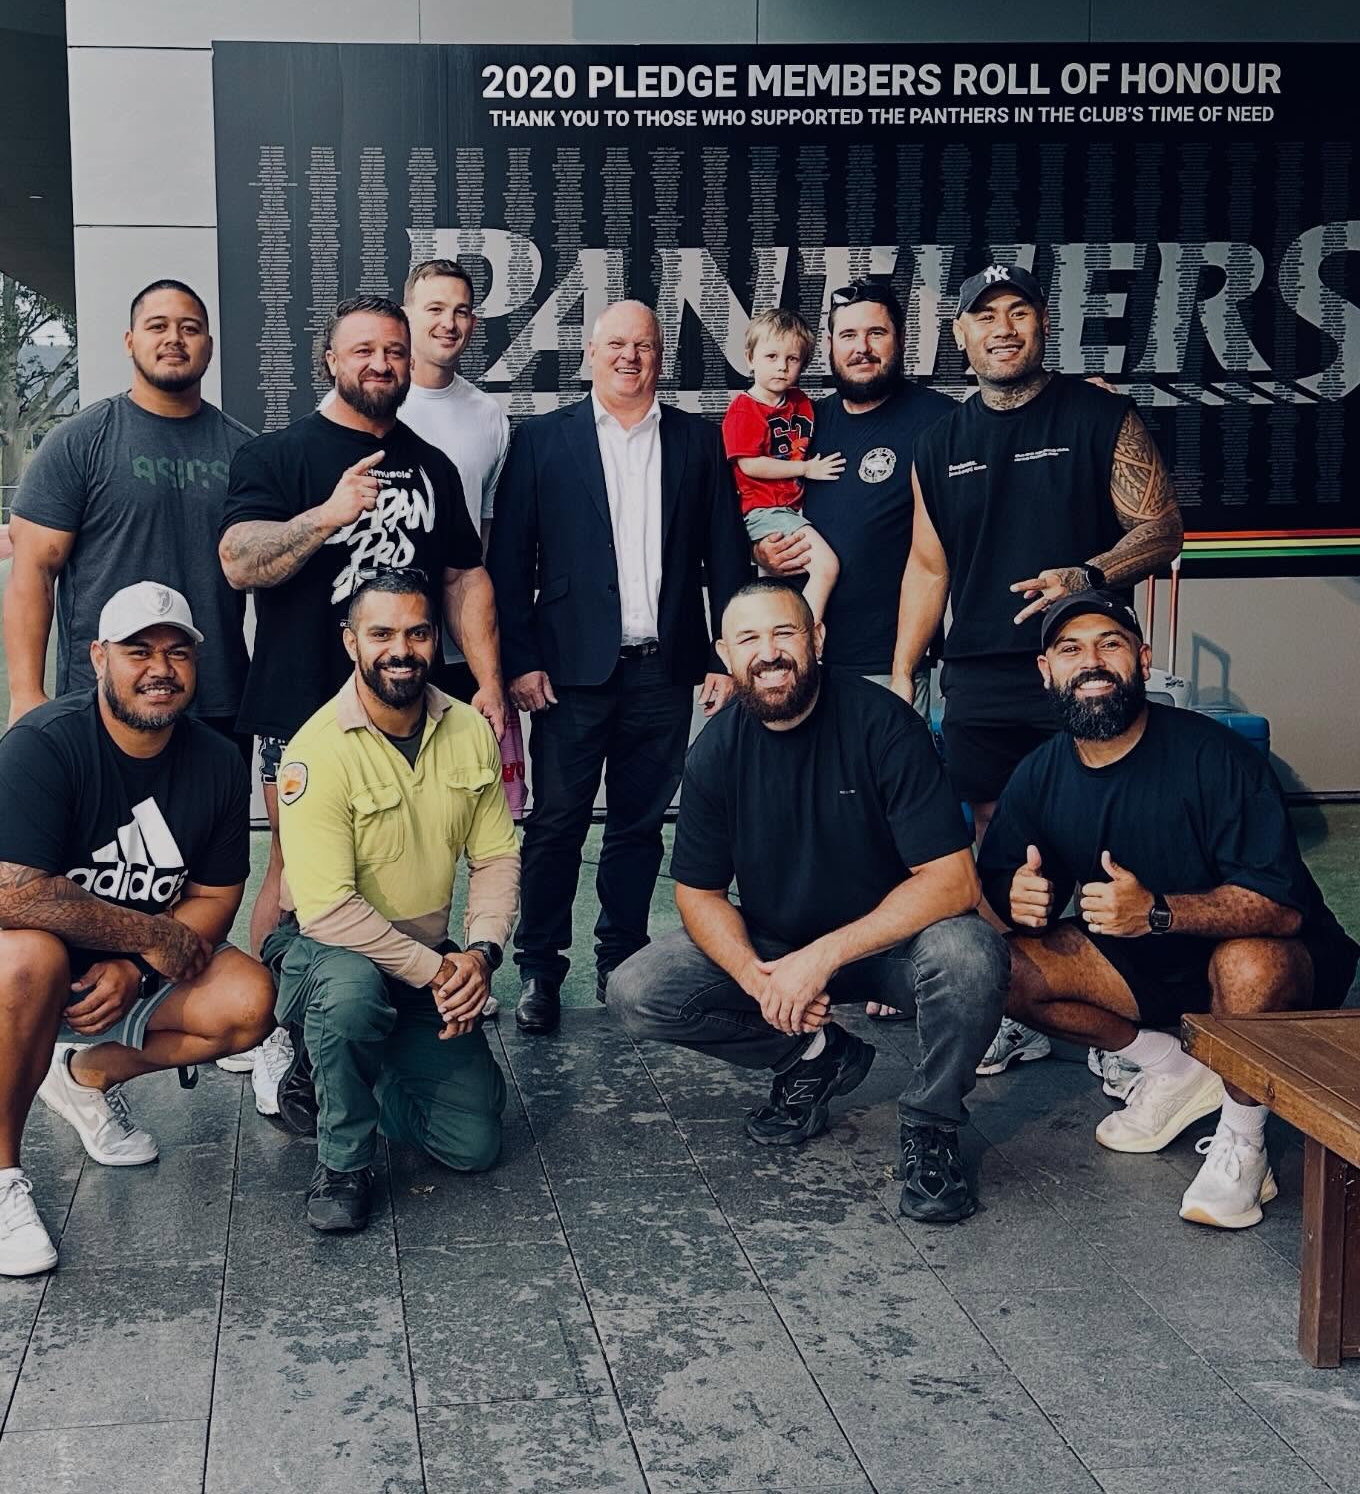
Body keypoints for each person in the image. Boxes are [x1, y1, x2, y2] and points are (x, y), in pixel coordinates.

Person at [607, 582, 1009, 1224]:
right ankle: (816, 1057)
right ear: (726, 655)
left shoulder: (883, 725)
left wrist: (821, 958)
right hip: (777, 948)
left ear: (817, 638)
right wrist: (755, 976)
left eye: (784, 633)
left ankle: (932, 1125)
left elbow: (953, 880)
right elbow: (698, 892)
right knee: (638, 989)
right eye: (749, 640)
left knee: (971, 954)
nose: (769, 653)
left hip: (889, 950)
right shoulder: (715, 750)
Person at [0, 582, 274, 1277]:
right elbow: (9, 893)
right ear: (98, 657)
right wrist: (143, 938)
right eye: (138, 651)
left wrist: (136, 969)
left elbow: (215, 897)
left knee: (247, 1002)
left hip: (116, 970)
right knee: (32, 959)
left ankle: (81, 1077)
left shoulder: (213, 762)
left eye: (177, 653)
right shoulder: (45, 743)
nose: (160, 668)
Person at [978, 592, 1359, 1230]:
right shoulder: (1040, 775)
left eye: (1111, 644)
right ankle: (1174, 1065)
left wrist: (1156, 913)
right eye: (1071, 649)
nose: (1091, 661)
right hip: (1145, 972)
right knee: (998, 966)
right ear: (1046, 671)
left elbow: (1282, 908)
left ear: (1143, 661)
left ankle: (1244, 1139)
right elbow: (996, 884)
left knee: (1248, 966)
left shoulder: (1217, 758)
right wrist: (1016, 896)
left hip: (1275, 967)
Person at [892, 261, 1184, 1072]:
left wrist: (1085, 577)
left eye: (1018, 312)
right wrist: (902, 670)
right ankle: (1023, 1000)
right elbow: (927, 566)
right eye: (986, 317)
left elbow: (1162, 528)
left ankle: (1120, 1014)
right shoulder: (938, 442)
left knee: (1105, 832)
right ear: (961, 336)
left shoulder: (1099, 415)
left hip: (1084, 665)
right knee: (997, 843)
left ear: (1041, 324)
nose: (1003, 329)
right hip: (982, 674)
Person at [219, 293, 504, 1107]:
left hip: (412, 702)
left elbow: (462, 578)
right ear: (330, 360)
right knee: (289, 870)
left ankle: (399, 1002)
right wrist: (327, 515)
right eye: (363, 350)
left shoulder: (433, 464)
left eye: (393, 350)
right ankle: (280, 1033)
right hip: (301, 706)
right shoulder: (278, 457)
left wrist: (485, 682)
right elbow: (240, 560)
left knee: (414, 859)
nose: (381, 363)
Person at [489, 300, 752, 1034]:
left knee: (639, 827)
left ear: (660, 357)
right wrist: (521, 659)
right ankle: (539, 969)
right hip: (568, 674)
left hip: (665, 671)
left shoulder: (697, 443)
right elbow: (509, 564)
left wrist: (725, 653)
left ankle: (622, 962)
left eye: (643, 345)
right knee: (556, 826)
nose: (628, 356)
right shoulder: (543, 441)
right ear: (589, 355)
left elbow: (726, 556)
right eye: (615, 344)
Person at [267, 571, 518, 1232]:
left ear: (436, 641)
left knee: (475, 1143)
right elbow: (328, 911)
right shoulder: (316, 752)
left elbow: (494, 856)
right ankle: (343, 1160)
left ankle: (346, 1072)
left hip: (421, 954)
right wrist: (441, 973)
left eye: (417, 632)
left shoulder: (466, 730)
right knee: (350, 996)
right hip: (322, 948)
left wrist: (481, 955)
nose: (399, 649)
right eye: (381, 633)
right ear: (352, 642)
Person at [4, 280, 253, 761]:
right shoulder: (81, 441)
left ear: (209, 346)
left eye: (190, 328)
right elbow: (33, 570)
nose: (174, 338)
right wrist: (25, 694)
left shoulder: (246, 451)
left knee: (210, 837)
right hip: (102, 699)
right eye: (157, 326)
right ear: (129, 341)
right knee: (102, 836)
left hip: (217, 698)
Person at [752, 277, 952, 719]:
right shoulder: (806, 420)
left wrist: (905, 668)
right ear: (828, 345)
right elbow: (757, 498)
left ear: (899, 339)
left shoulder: (939, 421)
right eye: (848, 335)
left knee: (890, 787)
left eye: (875, 333)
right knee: (808, 788)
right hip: (801, 665)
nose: (861, 347)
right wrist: (762, 550)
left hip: (888, 667)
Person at [318, 260, 512, 697]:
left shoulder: (489, 416)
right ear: (405, 319)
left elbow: (478, 542)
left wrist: (485, 663)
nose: (449, 323)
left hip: (453, 650)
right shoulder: (357, 398)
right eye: (435, 308)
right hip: (371, 647)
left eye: (461, 311)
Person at [722, 307, 840, 621]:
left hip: (792, 507)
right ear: (750, 359)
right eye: (771, 357)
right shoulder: (744, 409)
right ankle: (808, 634)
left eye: (792, 359)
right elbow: (749, 465)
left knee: (780, 588)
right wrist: (805, 469)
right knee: (827, 567)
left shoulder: (800, 401)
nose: (782, 367)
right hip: (765, 510)